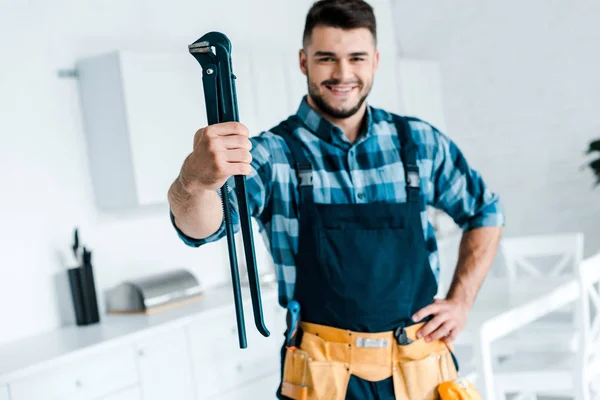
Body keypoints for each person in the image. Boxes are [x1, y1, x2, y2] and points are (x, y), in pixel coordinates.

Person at [168, 0, 505, 398]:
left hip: (420, 368)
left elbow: (485, 210)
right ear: (303, 60)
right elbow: (203, 228)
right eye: (326, 58)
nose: (343, 74)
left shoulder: (419, 143)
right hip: (322, 375)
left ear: (376, 61)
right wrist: (195, 182)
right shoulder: (273, 156)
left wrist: (461, 301)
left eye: (356, 58)